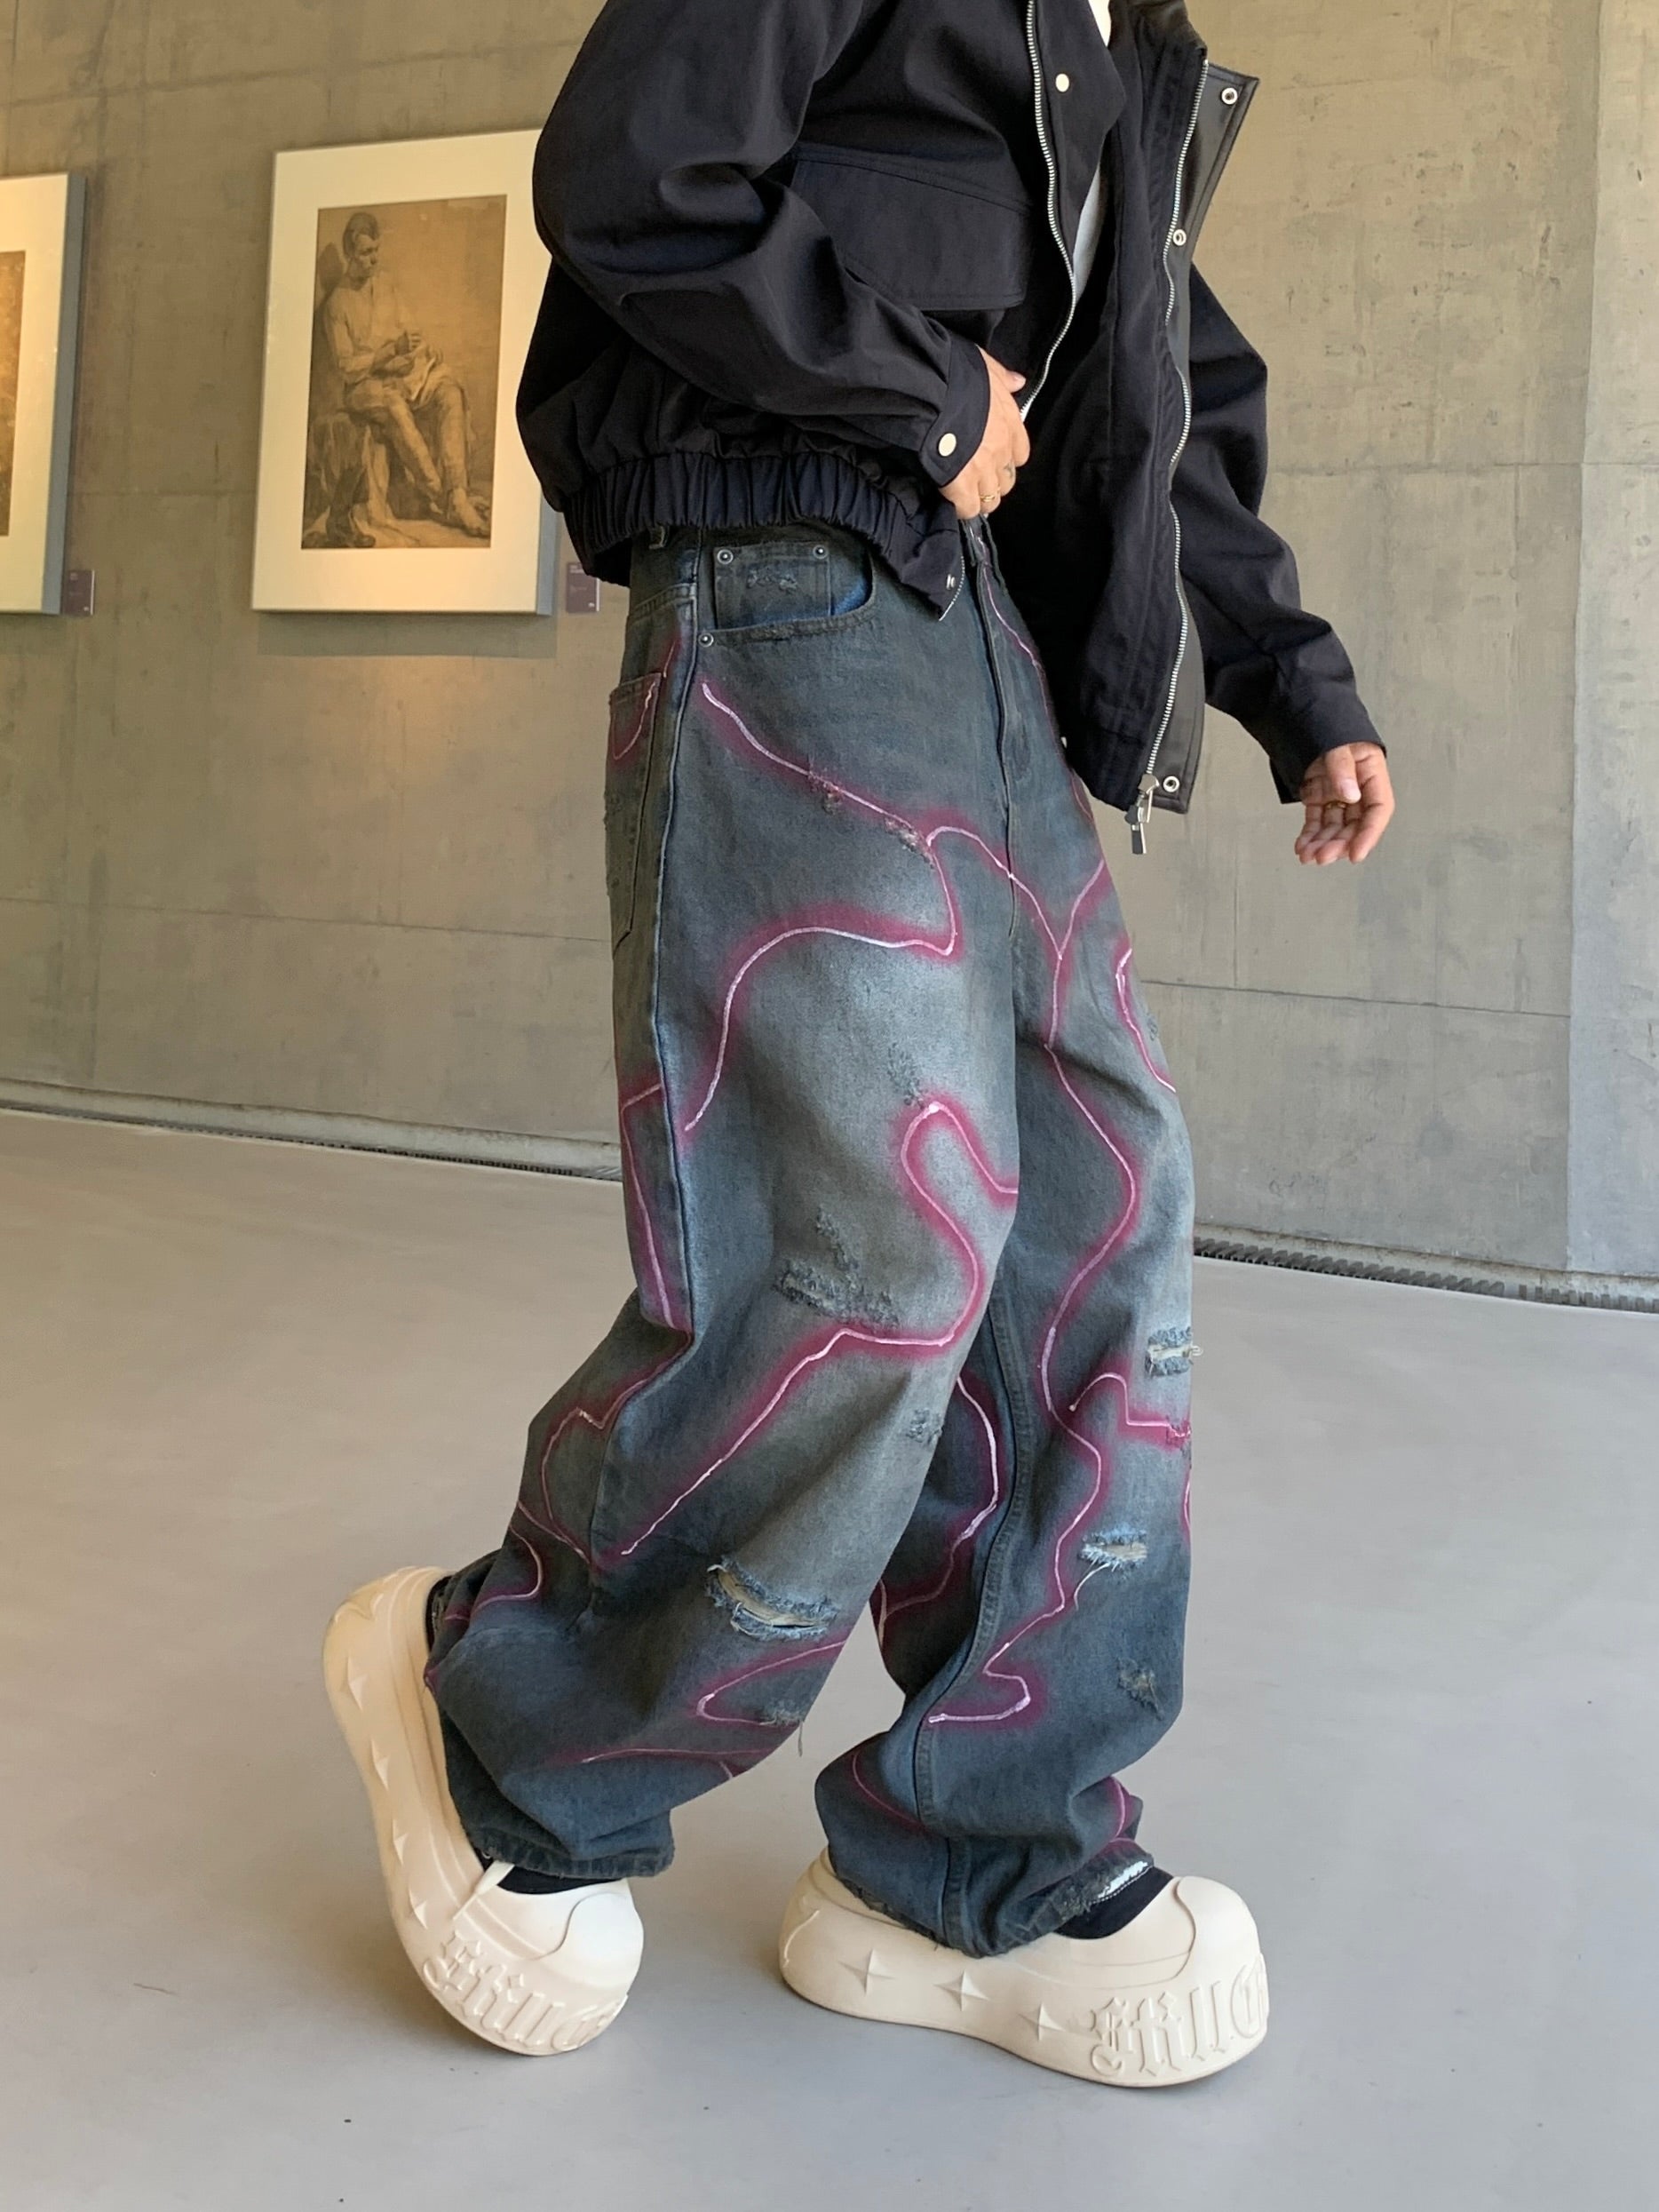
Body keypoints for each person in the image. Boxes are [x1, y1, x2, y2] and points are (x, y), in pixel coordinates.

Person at [326, 0, 1393, 2087]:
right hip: (792, 555)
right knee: (872, 1224)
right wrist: (916, 388)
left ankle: (975, 1849)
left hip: (975, 615)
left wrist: (1295, 678)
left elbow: (1150, 375)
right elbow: (637, 172)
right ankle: (507, 1728)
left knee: (1097, 1222)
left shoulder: (1127, 40)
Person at [320, 211, 488, 539]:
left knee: (449, 390)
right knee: (394, 405)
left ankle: (457, 492)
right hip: (363, 387)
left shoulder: (386, 285)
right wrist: (386, 356)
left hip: (399, 374)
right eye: (365, 252)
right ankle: (444, 499)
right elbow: (346, 367)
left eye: (375, 250)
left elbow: (410, 330)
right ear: (350, 253)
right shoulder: (337, 304)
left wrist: (413, 353)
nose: (373, 259)